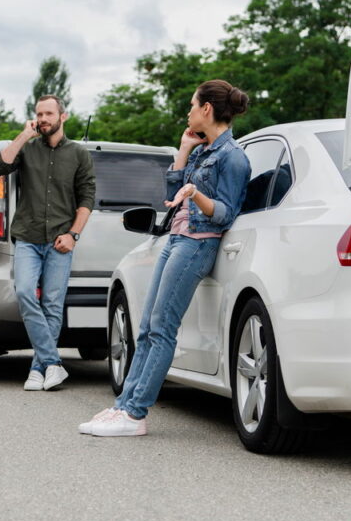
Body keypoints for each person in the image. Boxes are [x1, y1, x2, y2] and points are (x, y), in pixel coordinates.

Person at [80, 79, 250, 437]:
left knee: (162, 329)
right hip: (176, 238)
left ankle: (135, 414)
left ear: (207, 109)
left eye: (192, 105)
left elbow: (226, 214)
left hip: (197, 245)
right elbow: (171, 199)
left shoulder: (233, 157)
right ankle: (124, 406)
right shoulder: (204, 152)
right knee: (147, 327)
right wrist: (184, 151)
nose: (188, 111)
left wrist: (197, 195)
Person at [0, 95, 96, 391]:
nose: (43, 118)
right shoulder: (27, 149)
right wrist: (24, 134)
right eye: (39, 113)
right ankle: (53, 363)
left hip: (61, 240)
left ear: (63, 116)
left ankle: (38, 369)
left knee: (52, 304)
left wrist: (73, 235)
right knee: (24, 292)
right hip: (28, 237)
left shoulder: (78, 154)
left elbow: (87, 198)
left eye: (49, 113)